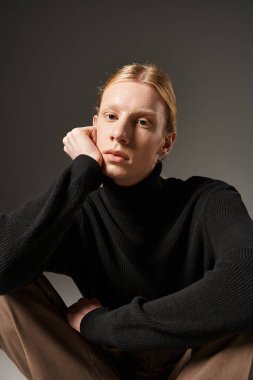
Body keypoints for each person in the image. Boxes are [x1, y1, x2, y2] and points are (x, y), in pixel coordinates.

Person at [0, 62, 253, 380]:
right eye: (111, 117)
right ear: (94, 127)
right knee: (6, 285)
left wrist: (104, 324)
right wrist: (81, 172)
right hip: (97, 369)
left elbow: (248, 281)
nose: (119, 134)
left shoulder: (207, 200)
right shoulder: (79, 210)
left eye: (143, 122)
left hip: (193, 368)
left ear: (166, 142)